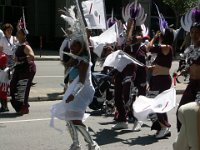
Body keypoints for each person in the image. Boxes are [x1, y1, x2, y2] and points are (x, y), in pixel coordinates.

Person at [51, 37, 100, 150]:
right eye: (71, 45)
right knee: (69, 119)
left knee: (76, 119)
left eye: (75, 45)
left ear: (81, 47)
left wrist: (73, 94)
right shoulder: (75, 59)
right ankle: (76, 144)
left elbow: (82, 82)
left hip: (82, 93)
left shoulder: (84, 61)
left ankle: (92, 144)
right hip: (73, 91)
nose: (71, 48)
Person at [146, 28, 174, 138]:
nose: (159, 37)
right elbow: (162, 64)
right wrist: (152, 67)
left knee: (155, 104)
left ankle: (164, 127)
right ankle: (163, 127)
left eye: (161, 35)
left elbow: (149, 47)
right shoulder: (165, 49)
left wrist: (155, 37)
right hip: (158, 79)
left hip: (162, 80)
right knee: (159, 105)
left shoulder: (166, 47)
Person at [176, 22, 200, 131]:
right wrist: (184, 71)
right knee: (181, 111)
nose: (194, 35)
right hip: (192, 85)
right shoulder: (190, 49)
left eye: (197, 32)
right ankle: (185, 140)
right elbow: (191, 66)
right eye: (192, 32)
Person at [10, 25, 36, 115]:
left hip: (27, 69)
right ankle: (20, 106)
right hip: (19, 68)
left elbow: (32, 56)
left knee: (23, 88)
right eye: (17, 33)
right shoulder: (18, 44)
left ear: (23, 35)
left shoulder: (25, 46)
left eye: (19, 33)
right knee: (13, 86)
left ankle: (24, 107)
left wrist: (21, 59)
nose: (16, 34)